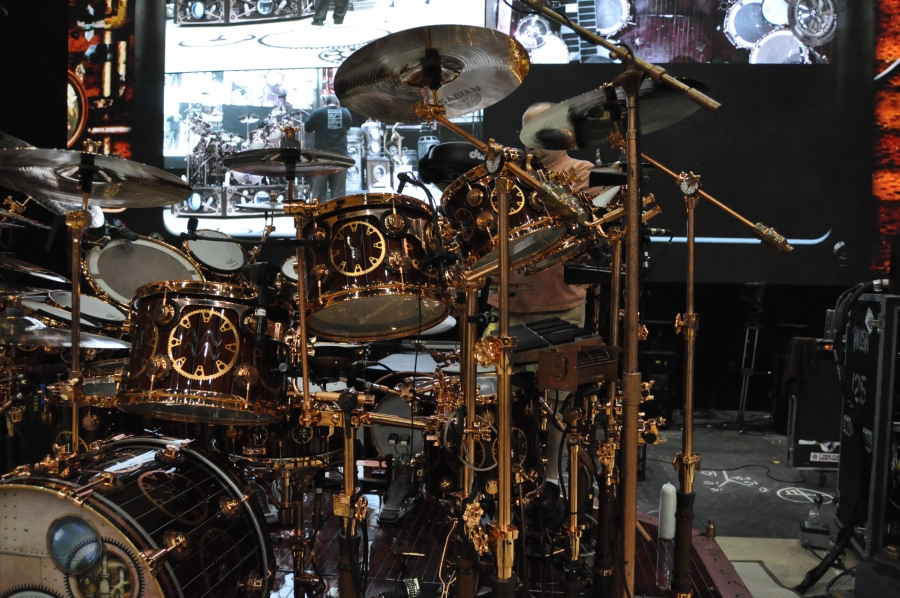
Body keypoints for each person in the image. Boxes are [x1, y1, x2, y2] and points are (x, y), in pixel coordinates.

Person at [485, 101, 598, 331]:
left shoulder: (582, 171)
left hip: (560, 306)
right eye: (525, 133)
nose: (529, 141)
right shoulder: (507, 176)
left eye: (537, 131)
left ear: (562, 134)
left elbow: (576, 224)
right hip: (505, 303)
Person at [305, 94, 352, 201]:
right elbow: (348, 126)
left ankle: (319, 217)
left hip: (322, 158)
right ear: (338, 104)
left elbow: (307, 128)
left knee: (318, 193)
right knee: (339, 194)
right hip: (341, 158)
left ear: (324, 104)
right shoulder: (346, 113)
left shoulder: (319, 113)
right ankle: (338, 217)